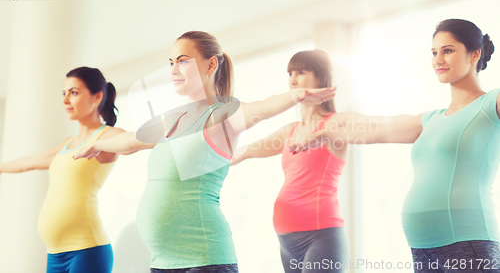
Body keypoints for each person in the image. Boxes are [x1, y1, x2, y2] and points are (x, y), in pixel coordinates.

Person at [73, 31, 336, 273]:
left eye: (183, 61)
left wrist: (295, 96)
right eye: (171, 62)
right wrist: (95, 143)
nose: (174, 69)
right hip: (162, 263)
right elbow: (129, 141)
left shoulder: (222, 115)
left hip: (204, 260)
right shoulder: (172, 119)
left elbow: (261, 108)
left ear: (211, 65)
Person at [288, 19, 500, 272]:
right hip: (422, 246)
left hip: (468, 242)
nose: (438, 60)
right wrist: (319, 134)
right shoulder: (431, 119)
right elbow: (375, 130)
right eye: (434, 52)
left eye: (448, 50)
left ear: (474, 54)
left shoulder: (490, 104)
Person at [231, 49, 410, 273]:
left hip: (320, 235)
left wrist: (424, 122)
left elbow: (381, 125)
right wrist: (202, 166)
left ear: (320, 77)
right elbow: (244, 151)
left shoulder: (336, 123)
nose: (293, 79)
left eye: (301, 72)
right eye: (290, 74)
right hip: (286, 239)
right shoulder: (289, 131)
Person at [0, 67, 125, 273]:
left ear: (97, 96)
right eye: (64, 93)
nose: (65, 100)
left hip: (86, 250)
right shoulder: (68, 143)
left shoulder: (106, 136)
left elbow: (130, 141)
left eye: (74, 93)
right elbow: (32, 161)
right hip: (55, 254)